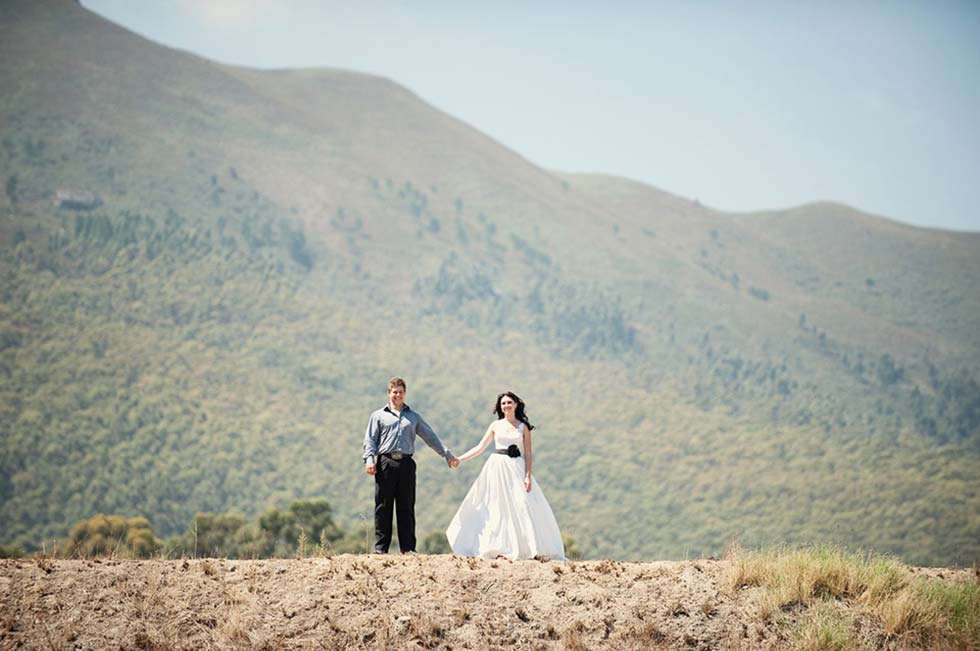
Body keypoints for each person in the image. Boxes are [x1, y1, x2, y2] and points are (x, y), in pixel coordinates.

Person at [446, 391, 565, 560]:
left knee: (521, 504)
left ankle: (528, 547)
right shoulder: (495, 426)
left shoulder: (524, 427)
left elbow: (529, 453)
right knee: (496, 506)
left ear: (516, 404)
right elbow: (480, 447)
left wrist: (528, 475)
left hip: (516, 467)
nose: (506, 406)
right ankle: (498, 546)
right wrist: (460, 459)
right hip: (497, 467)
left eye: (509, 402)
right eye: (503, 403)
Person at [363, 377, 459, 554]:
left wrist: (446, 454)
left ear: (404, 393)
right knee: (383, 506)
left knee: (406, 506)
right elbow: (370, 440)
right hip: (385, 462)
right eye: (394, 392)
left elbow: (430, 437)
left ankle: (408, 549)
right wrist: (369, 460)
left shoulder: (413, 417)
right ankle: (380, 549)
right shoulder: (378, 416)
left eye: (400, 392)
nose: (397, 395)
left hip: (406, 464)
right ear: (389, 393)